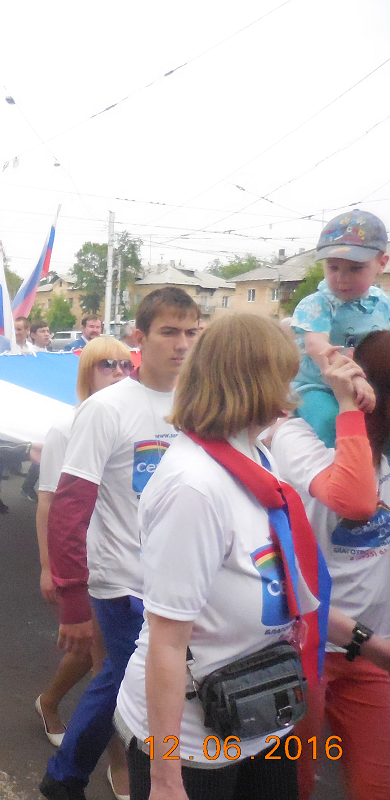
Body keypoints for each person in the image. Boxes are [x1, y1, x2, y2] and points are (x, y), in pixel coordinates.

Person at [114, 313, 383, 800]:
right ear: (253, 383)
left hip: (260, 720)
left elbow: (287, 590)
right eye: (284, 378)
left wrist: (368, 645)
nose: (292, 394)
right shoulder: (195, 488)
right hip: (194, 742)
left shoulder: (255, 457)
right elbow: (167, 644)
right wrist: (166, 779)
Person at [41, 287, 200, 800]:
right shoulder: (106, 409)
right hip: (120, 579)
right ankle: (70, 776)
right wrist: (72, 598)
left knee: (133, 678)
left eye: (191, 332)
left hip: (178, 577)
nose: (182, 344)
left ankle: (73, 775)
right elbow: (68, 507)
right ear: (140, 338)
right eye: (169, 332)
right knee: (129, 676)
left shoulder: (197, 403)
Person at [272, 330, 390, 800]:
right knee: (294, 784)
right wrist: (345, 404)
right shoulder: (297, 435)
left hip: (374, 653)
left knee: (376, 785)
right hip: (304, 649)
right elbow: (354, 498)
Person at [35, 338, 133, 756]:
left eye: (126, 364)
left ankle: (49, 701)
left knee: (98, 653)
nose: (119, 371)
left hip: (130, 559)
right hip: (86, 562)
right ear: (86, 373)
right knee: (106, 663)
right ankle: (117, 761)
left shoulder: (140, 421)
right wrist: (49, 568)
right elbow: (48, 503)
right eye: (107, 364)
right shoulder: (65, 428)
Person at [291, 209, 390, 448]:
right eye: (333, 267)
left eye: (355, 268)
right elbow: (317, 347)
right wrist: (353, 377)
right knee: (332, 422)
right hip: (318, 387)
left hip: (369, 385)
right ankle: (340, 467)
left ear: (381, 263)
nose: (342, 277)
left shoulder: (382, 302)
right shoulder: (317, 304)